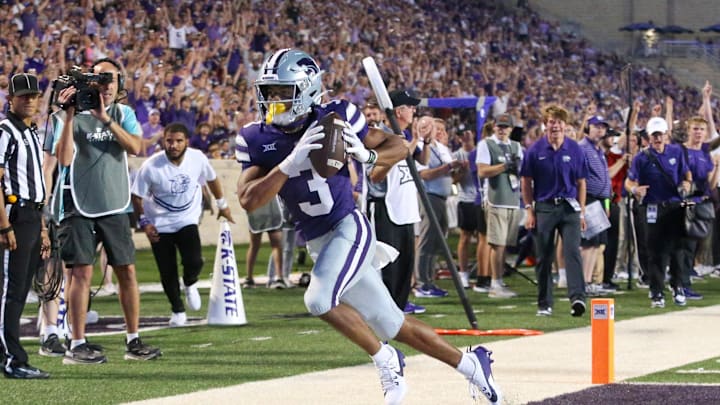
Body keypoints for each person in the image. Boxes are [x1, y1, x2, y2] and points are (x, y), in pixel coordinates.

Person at [236, 49, 500, 405]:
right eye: (269, 92)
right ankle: (472, 364)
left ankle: (385, 358)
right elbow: (249, 199)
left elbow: (398, 145)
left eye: (283, 92)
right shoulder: (254, 136)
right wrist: (289, 163)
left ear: (308, 89)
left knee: (317, 299)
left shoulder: (336, 116)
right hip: (318, 241)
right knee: (394, 324)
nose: (273, 101)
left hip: (349, 227)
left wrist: (368, 156)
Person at [53, 58, 161, 364]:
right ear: (90, 82)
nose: (107, 85)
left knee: (126, 269)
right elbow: (63, 159)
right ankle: (76, 343)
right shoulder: (68, 114)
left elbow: (136, 148)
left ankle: (133, 339)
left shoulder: (123, 113)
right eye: (101, 79)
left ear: (119, 83)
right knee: (81, 272)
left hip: (115, 202)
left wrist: (104, 119)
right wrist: (70, 116)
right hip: (79, 203)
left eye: (112, 79)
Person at [131, 122, 234, 327]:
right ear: (164, 141)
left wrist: (222, 203)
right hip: (159, 222)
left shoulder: (198, 158)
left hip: (187, 218)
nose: (174, 145)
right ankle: (177, 310)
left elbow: (212, 179)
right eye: (170, 141)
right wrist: (144, 223)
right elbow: (136, 196)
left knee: (195, 260)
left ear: (186, 142)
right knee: (167, 270)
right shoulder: (151, 166)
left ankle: (189, 282)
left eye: (179, 141)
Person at [0, 73, 51, 378]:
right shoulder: (6, 130)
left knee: (17, 291)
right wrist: (4, 225)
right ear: (11, 99)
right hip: (15, 216)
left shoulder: (30, 131)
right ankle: (12, 359)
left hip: (32, 216)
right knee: (12, 291)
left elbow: (36, 185)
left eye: (33, 96)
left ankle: (8, 355)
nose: (29, 101)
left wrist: (43, 227)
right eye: (23, 96)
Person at [520, 104, 588, 317]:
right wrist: (529, 210)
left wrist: (582, 212)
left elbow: (581, 182)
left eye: (559, 122)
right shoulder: (535, 150)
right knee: (544, 256)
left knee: (572, 252)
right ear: (545, 124)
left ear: (565, 125)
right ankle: (544, 303)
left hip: (569, 207)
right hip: (545, 207)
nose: (555, 126)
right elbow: (526, 181)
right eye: (551, 122)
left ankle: (577, 298)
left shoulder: (575, 149)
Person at [366, 90, 429, 315]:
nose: (414, 111)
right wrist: (398, 151)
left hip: (404, 207)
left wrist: (418, 141)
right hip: (385, 206)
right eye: (410, 107)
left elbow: (421, 160)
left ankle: (399, 306)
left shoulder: (401, 136)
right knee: (387, 265)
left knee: (405, 263)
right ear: (399, 111)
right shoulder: (379, 136)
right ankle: (384, 308)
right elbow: (374, 175)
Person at [625, 117, 692, 308]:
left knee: (678, 250)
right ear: (648, 136)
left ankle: (678, 286)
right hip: (652, 207)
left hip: (674, 206)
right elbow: (629, 182)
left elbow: (687, 174)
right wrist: (634, 190)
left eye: (660, 134)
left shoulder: (676, 152)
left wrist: (686, 184)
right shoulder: (641, 157)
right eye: (654, 135)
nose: (657, 138)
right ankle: (656, 291)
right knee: (655, 252)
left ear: (666, 135)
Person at [414, 118, 463, 298]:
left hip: (442, 196)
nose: (439, 132)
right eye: (436, 128)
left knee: (438, 241)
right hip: (429, 196)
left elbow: (450, 172)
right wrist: (448, 167)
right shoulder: (420, 146)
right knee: (427, 239)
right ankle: (421, 283)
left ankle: (430, 280)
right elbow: (424, 174)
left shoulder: (441, 148)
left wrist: (458, 168)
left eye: (440, 129)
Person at [476, 113, 523, 298]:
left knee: (506, 244)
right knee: (498, 244)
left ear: (511, 129)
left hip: (512, 199)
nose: (502, 129)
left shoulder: (516, 146)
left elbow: (520, 170)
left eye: (505, 126)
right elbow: (482, 171)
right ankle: (495, 284)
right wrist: (504, 167)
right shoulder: (486, 144)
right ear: (494, 127)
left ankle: (499, 281)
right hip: (496, 198)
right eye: (499, 126)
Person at [578, 115, 613, 296]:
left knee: (595, 244)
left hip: (598, 201)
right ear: (587, 128)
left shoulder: (598, 149)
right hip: (589, 199)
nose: (600, 130)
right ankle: (583, 282)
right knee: (588, 244)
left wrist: (606, 201)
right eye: (596, 126)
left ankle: (589, 281)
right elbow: (579, 178)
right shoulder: (583, 148)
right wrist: (582, 205)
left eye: (602, 127)